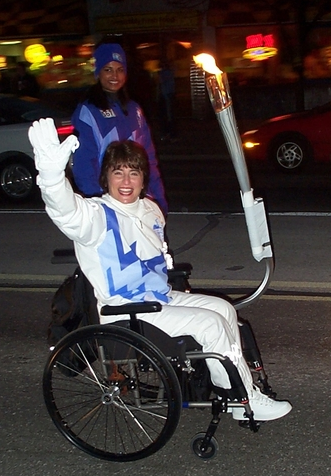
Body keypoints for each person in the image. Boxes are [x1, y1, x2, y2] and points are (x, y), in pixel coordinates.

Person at [28, 118, 292, 422]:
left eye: (134, 172)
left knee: (223, 310)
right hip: (125, 310)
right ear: (106, 178)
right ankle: (240, 399)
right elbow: (65, 211)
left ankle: (237, 391)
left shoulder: (150, 209)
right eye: (118, 172)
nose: (126, 181)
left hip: (158, 298)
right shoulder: (96, 216)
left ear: (143, 179)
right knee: (211, 325)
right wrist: (50, 174)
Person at [71, 42, 167, 215]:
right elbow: (84, 165)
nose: (114, 75)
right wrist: (100, 205)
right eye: (108, 69)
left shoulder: (134, 110)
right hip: (109, 202)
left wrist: (158, 199)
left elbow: (149, 158)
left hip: (139, 202)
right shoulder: (88, 111)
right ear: (98, 72)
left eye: (120, 69)